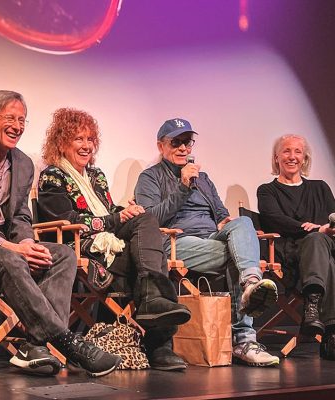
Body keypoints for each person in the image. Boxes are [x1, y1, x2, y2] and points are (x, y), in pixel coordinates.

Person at [0, 90, 121, 377]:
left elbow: (22, 215)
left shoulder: (23, 164)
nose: (18, 126)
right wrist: (12, 248)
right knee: (8, 259)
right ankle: (66, 340)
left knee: (61, 254)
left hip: (9, 242)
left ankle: (34, 347)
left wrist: (26, 242)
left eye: (22, 120)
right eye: (10, 118)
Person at [36, 108, 191, 370]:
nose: (86, 146)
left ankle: (154, 307)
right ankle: (160, 346)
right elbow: (68, 219)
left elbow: (108, 212)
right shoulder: (52, 176)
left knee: (146, 220)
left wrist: (125, 213)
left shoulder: (96, 176)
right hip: (79, 246)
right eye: (78, 139)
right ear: (62, 142)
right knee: (153, 258)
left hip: (108, 240)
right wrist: (117, 219)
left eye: (90, 140)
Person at [135, 118, 280, 367]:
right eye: (176, 142)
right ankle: (244, 339)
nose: (183, 148)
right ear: (161, 146)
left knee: (244, 224)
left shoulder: (203, 178)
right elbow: (150, 220)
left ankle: (251, 283)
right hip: (176, 242)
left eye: (187, 142)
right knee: (238, 254)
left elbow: (221, 214)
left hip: (211, 239)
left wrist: (227, 223)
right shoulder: (150, 177)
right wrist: (181, 187)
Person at [257, 134, 335, 359]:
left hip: (325, 250)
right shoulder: (267, 191)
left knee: (323, 248)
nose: (292, 157)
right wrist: (311, 229)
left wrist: (325, 229)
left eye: (298, 152)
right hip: (292, 252)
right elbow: (273, 218)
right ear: (277, 157)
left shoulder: (320, 188)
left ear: (305, 158)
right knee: (318, 244)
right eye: (286, 151)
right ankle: (330, 334)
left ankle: (313, 307)